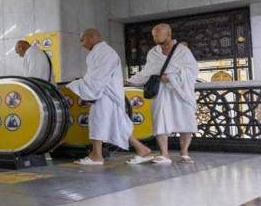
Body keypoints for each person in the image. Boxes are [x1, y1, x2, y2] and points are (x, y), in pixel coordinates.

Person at [126, 23, 199, 164]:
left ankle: (184, 153)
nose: (155, 37)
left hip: (180, 91)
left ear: (168, 34)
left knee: (186, 121)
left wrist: (171, 78)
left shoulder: (183, 51)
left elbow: (192, 71)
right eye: (154, 35)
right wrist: (130, 81)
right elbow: (147, 72)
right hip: (160, 91)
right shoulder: (153, 52)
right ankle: (164, 154)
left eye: (158, 34)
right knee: (160, 120)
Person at [67, 29, 132, 165]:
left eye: (83, 40)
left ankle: (97, 156)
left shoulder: (105, 53)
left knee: (99, 122)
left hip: (105, 94)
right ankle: (142, 150)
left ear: (91, 37)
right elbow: (94, 77)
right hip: (102, 93)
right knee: (114, 124)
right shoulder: (99, 52)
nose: (82, 44)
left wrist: (82, 88)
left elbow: (98, 78)